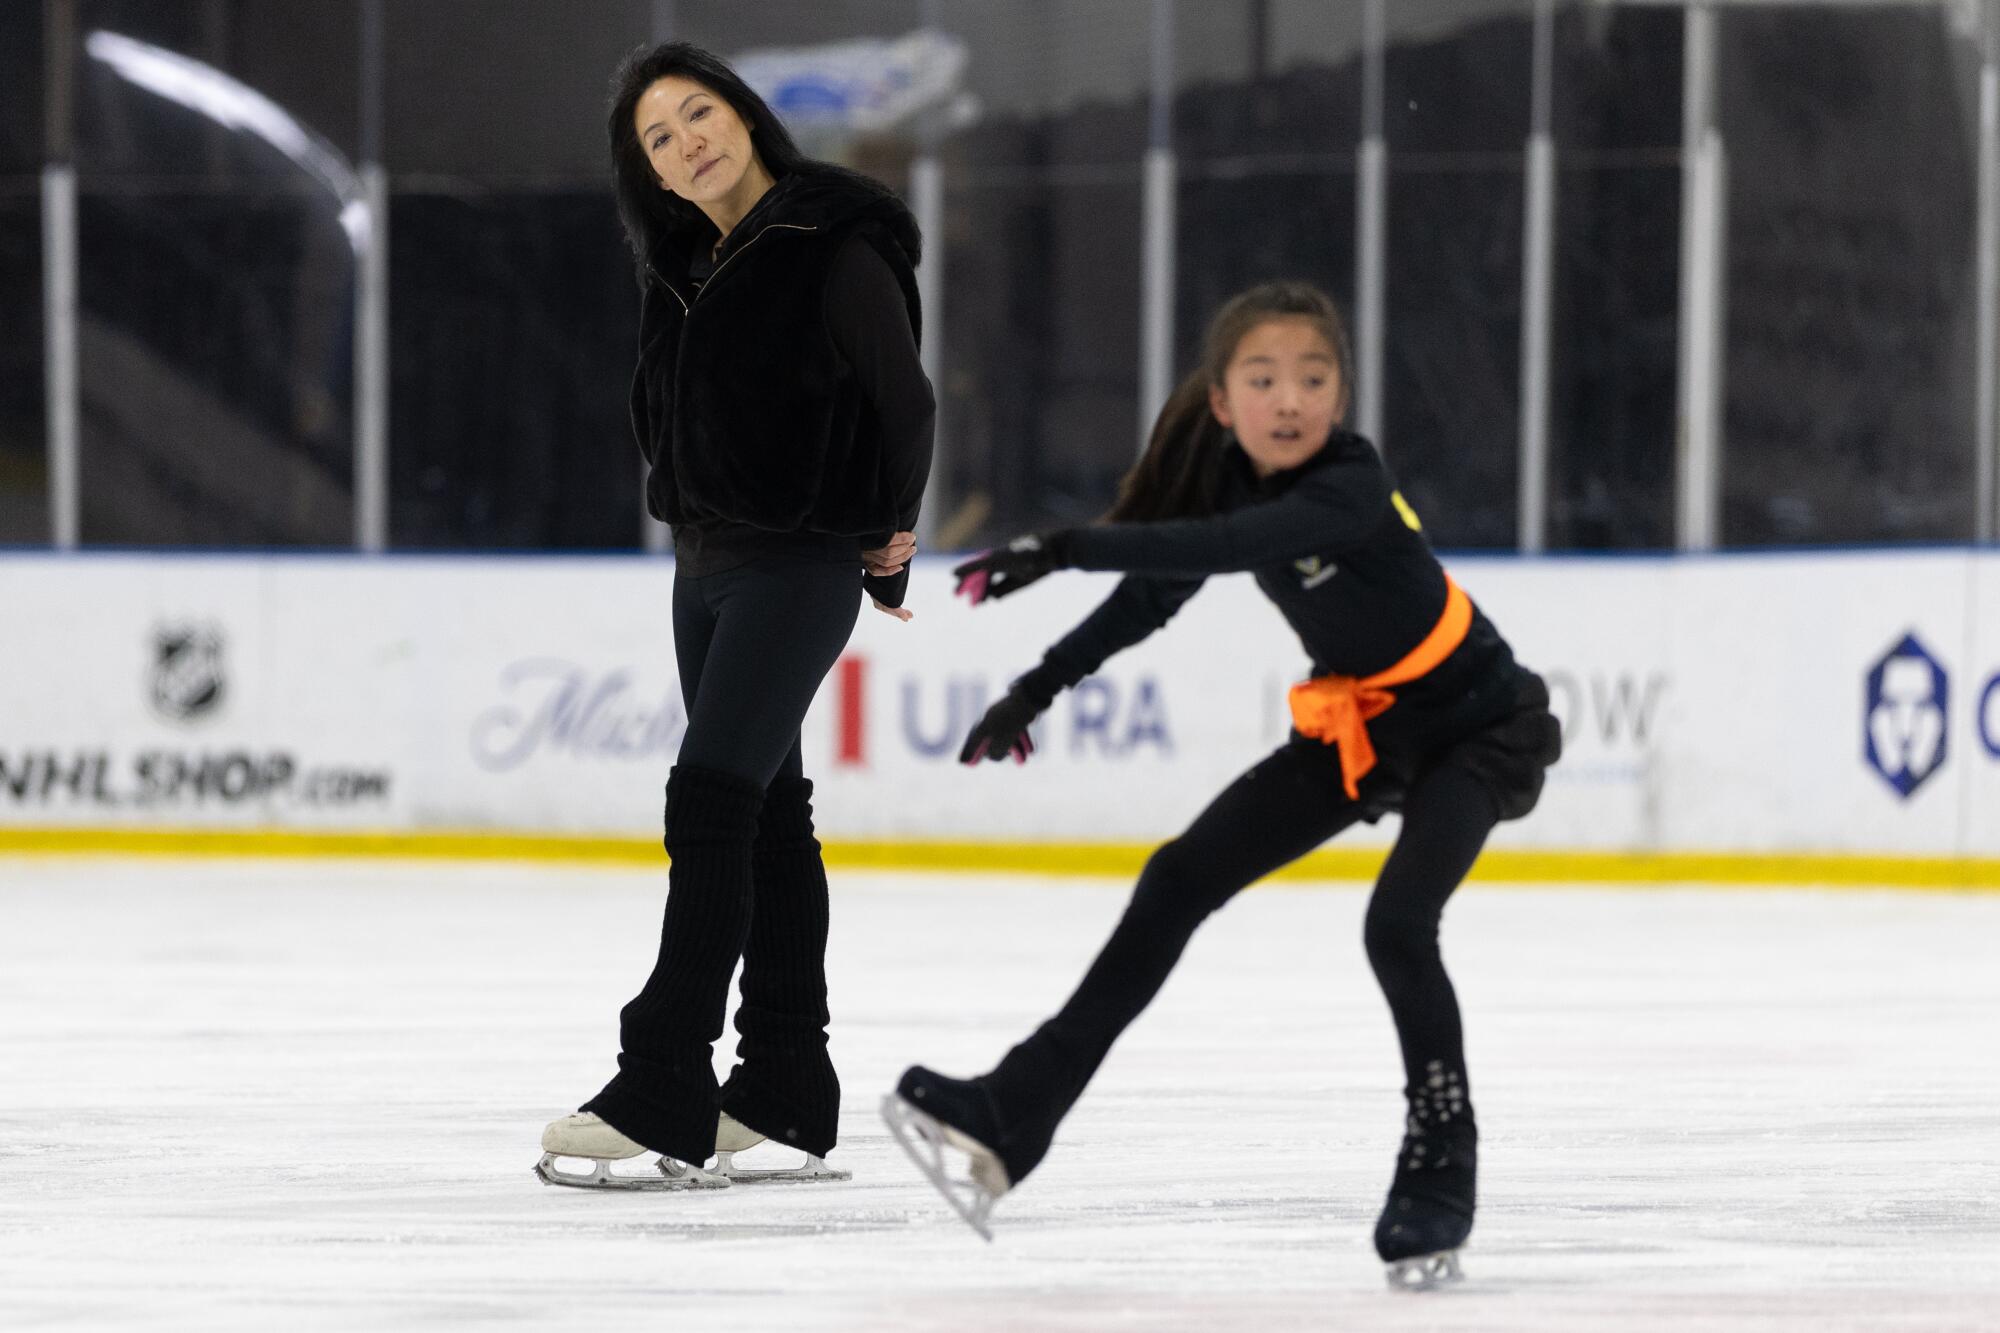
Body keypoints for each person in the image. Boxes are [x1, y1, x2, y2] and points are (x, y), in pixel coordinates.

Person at [882, 282, 1559, 1287]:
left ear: (1338, 394)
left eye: (1312, 378)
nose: (1289, 399)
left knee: (1396, 924)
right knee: (1176, 877)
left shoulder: (1348, 481)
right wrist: (1035, 685)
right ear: (1221, 403)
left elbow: (1222, 548)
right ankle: (1014, 1111)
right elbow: (1153, 595)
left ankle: (1439, 1167)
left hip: (1479, 725)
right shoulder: (1226, 477)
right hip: (1359, 724)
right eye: (1262, 379)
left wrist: (1066, 545)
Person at [537, 40, 933, 1191]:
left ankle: (663, 1072)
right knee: (766, 814)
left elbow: (900, 398)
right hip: (701, 564)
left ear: (746, 117)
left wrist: (884, 534)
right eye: (658, 140)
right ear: (651, 176)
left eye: (697, 115)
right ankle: (784, 1086)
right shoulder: (683, 264)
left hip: (795, 564)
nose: (685, 144)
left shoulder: (830, 240)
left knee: (707, 801)